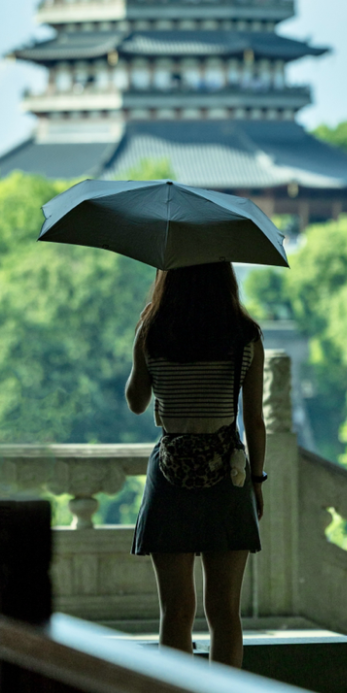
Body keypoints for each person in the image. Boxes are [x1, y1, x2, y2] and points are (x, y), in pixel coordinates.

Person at [125, 261, 266, 668]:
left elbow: (136, 403)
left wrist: (139, 341)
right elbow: (254, 421)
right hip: (228, 475)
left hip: (170, 477)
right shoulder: (245, 337)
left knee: (176, 613)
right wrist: (256, 482)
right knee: (224, 614)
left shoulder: (154, 332)